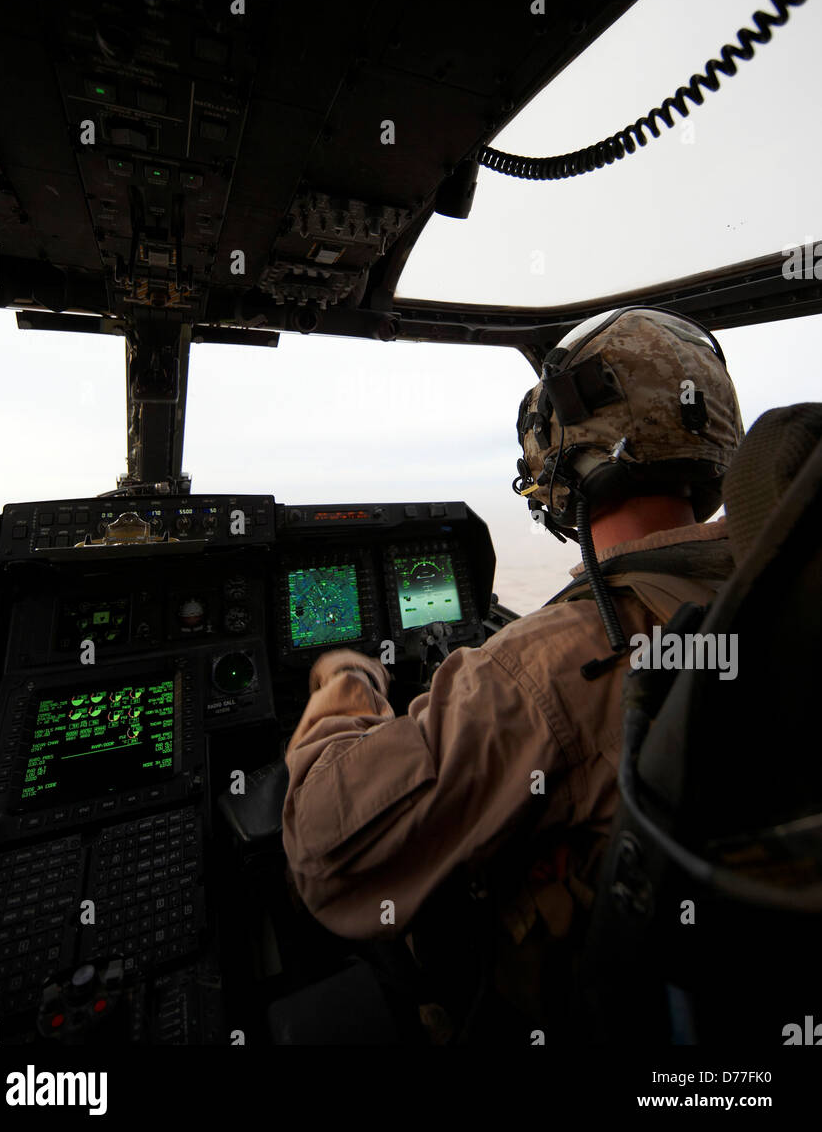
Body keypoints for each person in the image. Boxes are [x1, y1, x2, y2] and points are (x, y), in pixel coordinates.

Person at [281, 307, 744, 1036]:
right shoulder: (768, 595)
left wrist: (345, 683)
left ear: (562, 459)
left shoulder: (555, 662)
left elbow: (323, 847)